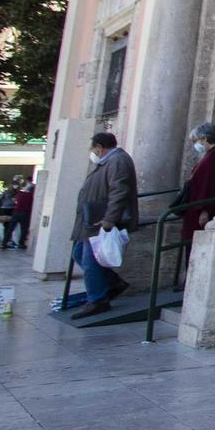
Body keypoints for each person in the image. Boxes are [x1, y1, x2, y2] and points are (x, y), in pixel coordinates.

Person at [70, 134, 140, 319]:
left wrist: (109, 219)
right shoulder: (109, 162)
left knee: (90, 261)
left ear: (99, 147)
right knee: (79, 253)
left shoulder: (117, 161)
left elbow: (119, 191)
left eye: (93, 148)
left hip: (100, 222)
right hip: (92, 221)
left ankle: (98, 299)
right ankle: (111, 283)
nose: (92, 153)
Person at [172, 122, 215, 258]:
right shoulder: (210, 155)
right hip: (195, 210)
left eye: (196, 141)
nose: (195, 144)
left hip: (199, 212)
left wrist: (205, 209)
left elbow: (210, 184)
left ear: (204, 138)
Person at [11, 178, 33, 252]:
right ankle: (21, 243)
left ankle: (6, 242)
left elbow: (16, 201)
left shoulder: (20, 194)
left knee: (12, 228)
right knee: (24, 229)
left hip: (17, 212)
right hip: (25, 213)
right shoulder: (30, 196)